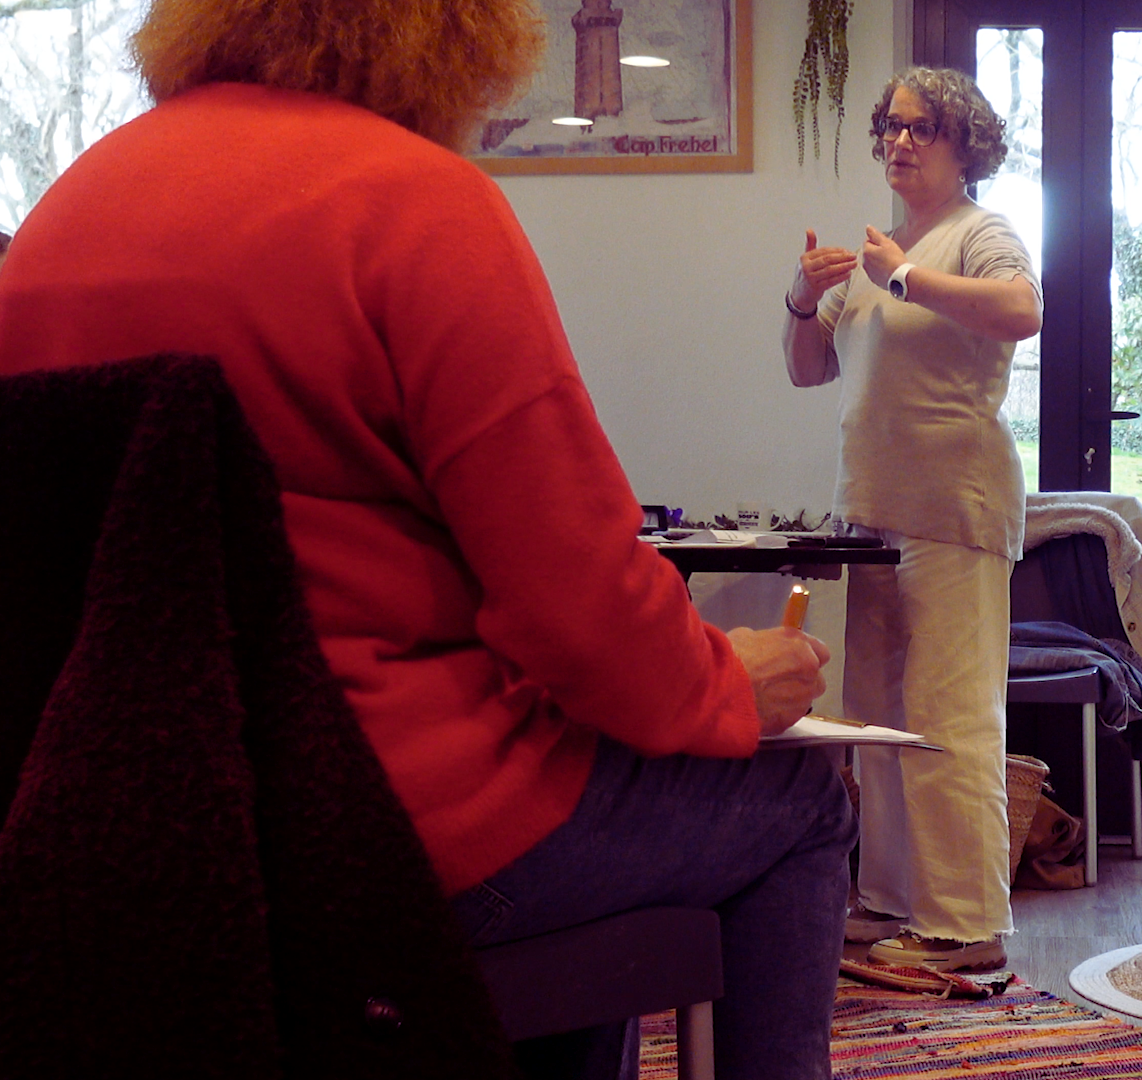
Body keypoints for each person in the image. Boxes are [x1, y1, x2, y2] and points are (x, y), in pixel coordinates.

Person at [0, 1, 854, 1076]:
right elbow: (577, 612)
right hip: (398, 824)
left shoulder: (63, 216)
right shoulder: (414, 203)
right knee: (799, 800)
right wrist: (730, 685)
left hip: (133, 827)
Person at [782, 67, 1042, 973]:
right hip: (871, 515)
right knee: (878, 719)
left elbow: (1023, 311)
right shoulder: (879, 248)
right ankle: (892, 901)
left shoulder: (978, 234)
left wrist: (906, 279)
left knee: (949, 718)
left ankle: (966, 929)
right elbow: (807, 371)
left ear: (962, 141)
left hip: (953, 511)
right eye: (890, 127)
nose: (899, 142)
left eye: (921, 128)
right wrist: (800, 300)